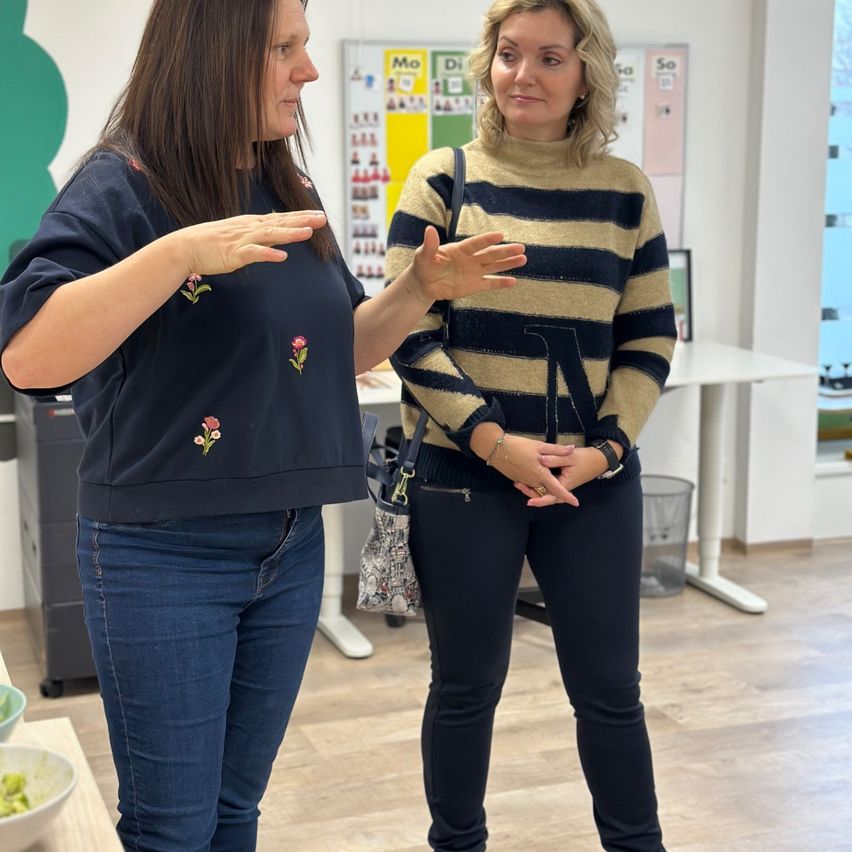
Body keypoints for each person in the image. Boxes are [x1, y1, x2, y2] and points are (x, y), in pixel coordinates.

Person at [0, 1, 528, 849]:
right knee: (172, 829)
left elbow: (333, 346)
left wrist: (418, 291)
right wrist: (178, 255)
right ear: (216, 54)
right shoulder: (121, 182)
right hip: (161, 553)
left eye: (304, 46)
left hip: (288, 548)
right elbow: (29, 356)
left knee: (236, 811)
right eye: (285, 49)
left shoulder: (285, 181)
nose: (307, 71)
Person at [385, 1, 676, 849]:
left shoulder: (625, 192)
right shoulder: (444, 178)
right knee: (466, 687)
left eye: (551, 58)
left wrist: (606, 450)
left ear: (588, 71)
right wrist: (493, 442)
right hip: (467, 475)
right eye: (510, 55)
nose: (525, 76)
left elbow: (650, 336)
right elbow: (407, 331)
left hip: (589, 481)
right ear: (488, 63)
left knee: (611, 691)